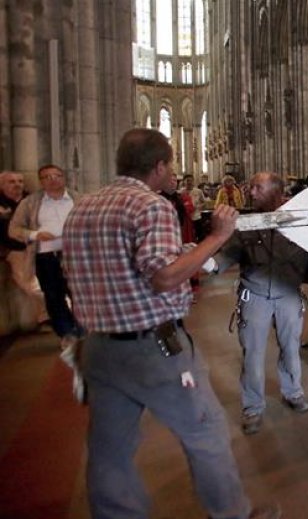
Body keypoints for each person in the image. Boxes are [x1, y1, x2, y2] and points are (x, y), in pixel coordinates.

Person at [61, 128, 279, 519]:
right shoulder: (151, 206)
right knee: (206, 432)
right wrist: (218, 237)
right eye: (171, 164)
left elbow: (103, 265)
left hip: (99, 349)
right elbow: (162, 277)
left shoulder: (83, 207)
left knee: (109, 451)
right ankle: (233, 514)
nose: (173, 171)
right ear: (159, 166)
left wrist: (187, 251)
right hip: (154, 350)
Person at [212, 172, 308, 435]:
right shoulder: (246, 224)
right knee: (253, 353)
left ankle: (293, 392)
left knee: (290, 347)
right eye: (251, 188)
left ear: (277, 191)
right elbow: (228, 255)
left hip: (288, 294)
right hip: (254, 295)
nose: (251, 192)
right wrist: (208, 263)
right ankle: (253, 406)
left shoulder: (297, 220)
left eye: (258, 188)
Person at [9, 164, 83, 346]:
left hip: (74, 255)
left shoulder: (79, 199)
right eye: (47, 177)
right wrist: (35, 235)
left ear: (64, 177)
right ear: (41, 181)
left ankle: (83, 331)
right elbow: (14, 229)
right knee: (53, 296)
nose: (53, 179)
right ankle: (67, 333)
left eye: (57, 175)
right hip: (46, 256)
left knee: (79, 294)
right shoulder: (30, 203)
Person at [1, 171, 47, 332]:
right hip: (16, 250)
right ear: (2, 186)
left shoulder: (32, 201)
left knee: (50, 282)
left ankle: (49, 315)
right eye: (11, 182)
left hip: (39, 247)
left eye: (20, 181)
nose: (17, 185)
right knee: (32, 286)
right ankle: (55, 313)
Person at [182, 174, 207, 240]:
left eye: (191, 180)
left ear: (193, 181)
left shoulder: (199, 191)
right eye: (187, 180)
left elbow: (204, 202)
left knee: (200, 235)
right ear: (184, 182)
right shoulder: (181, 192)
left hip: (196, 216)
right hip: (186, 218)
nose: (189, 182)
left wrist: (197, 207)